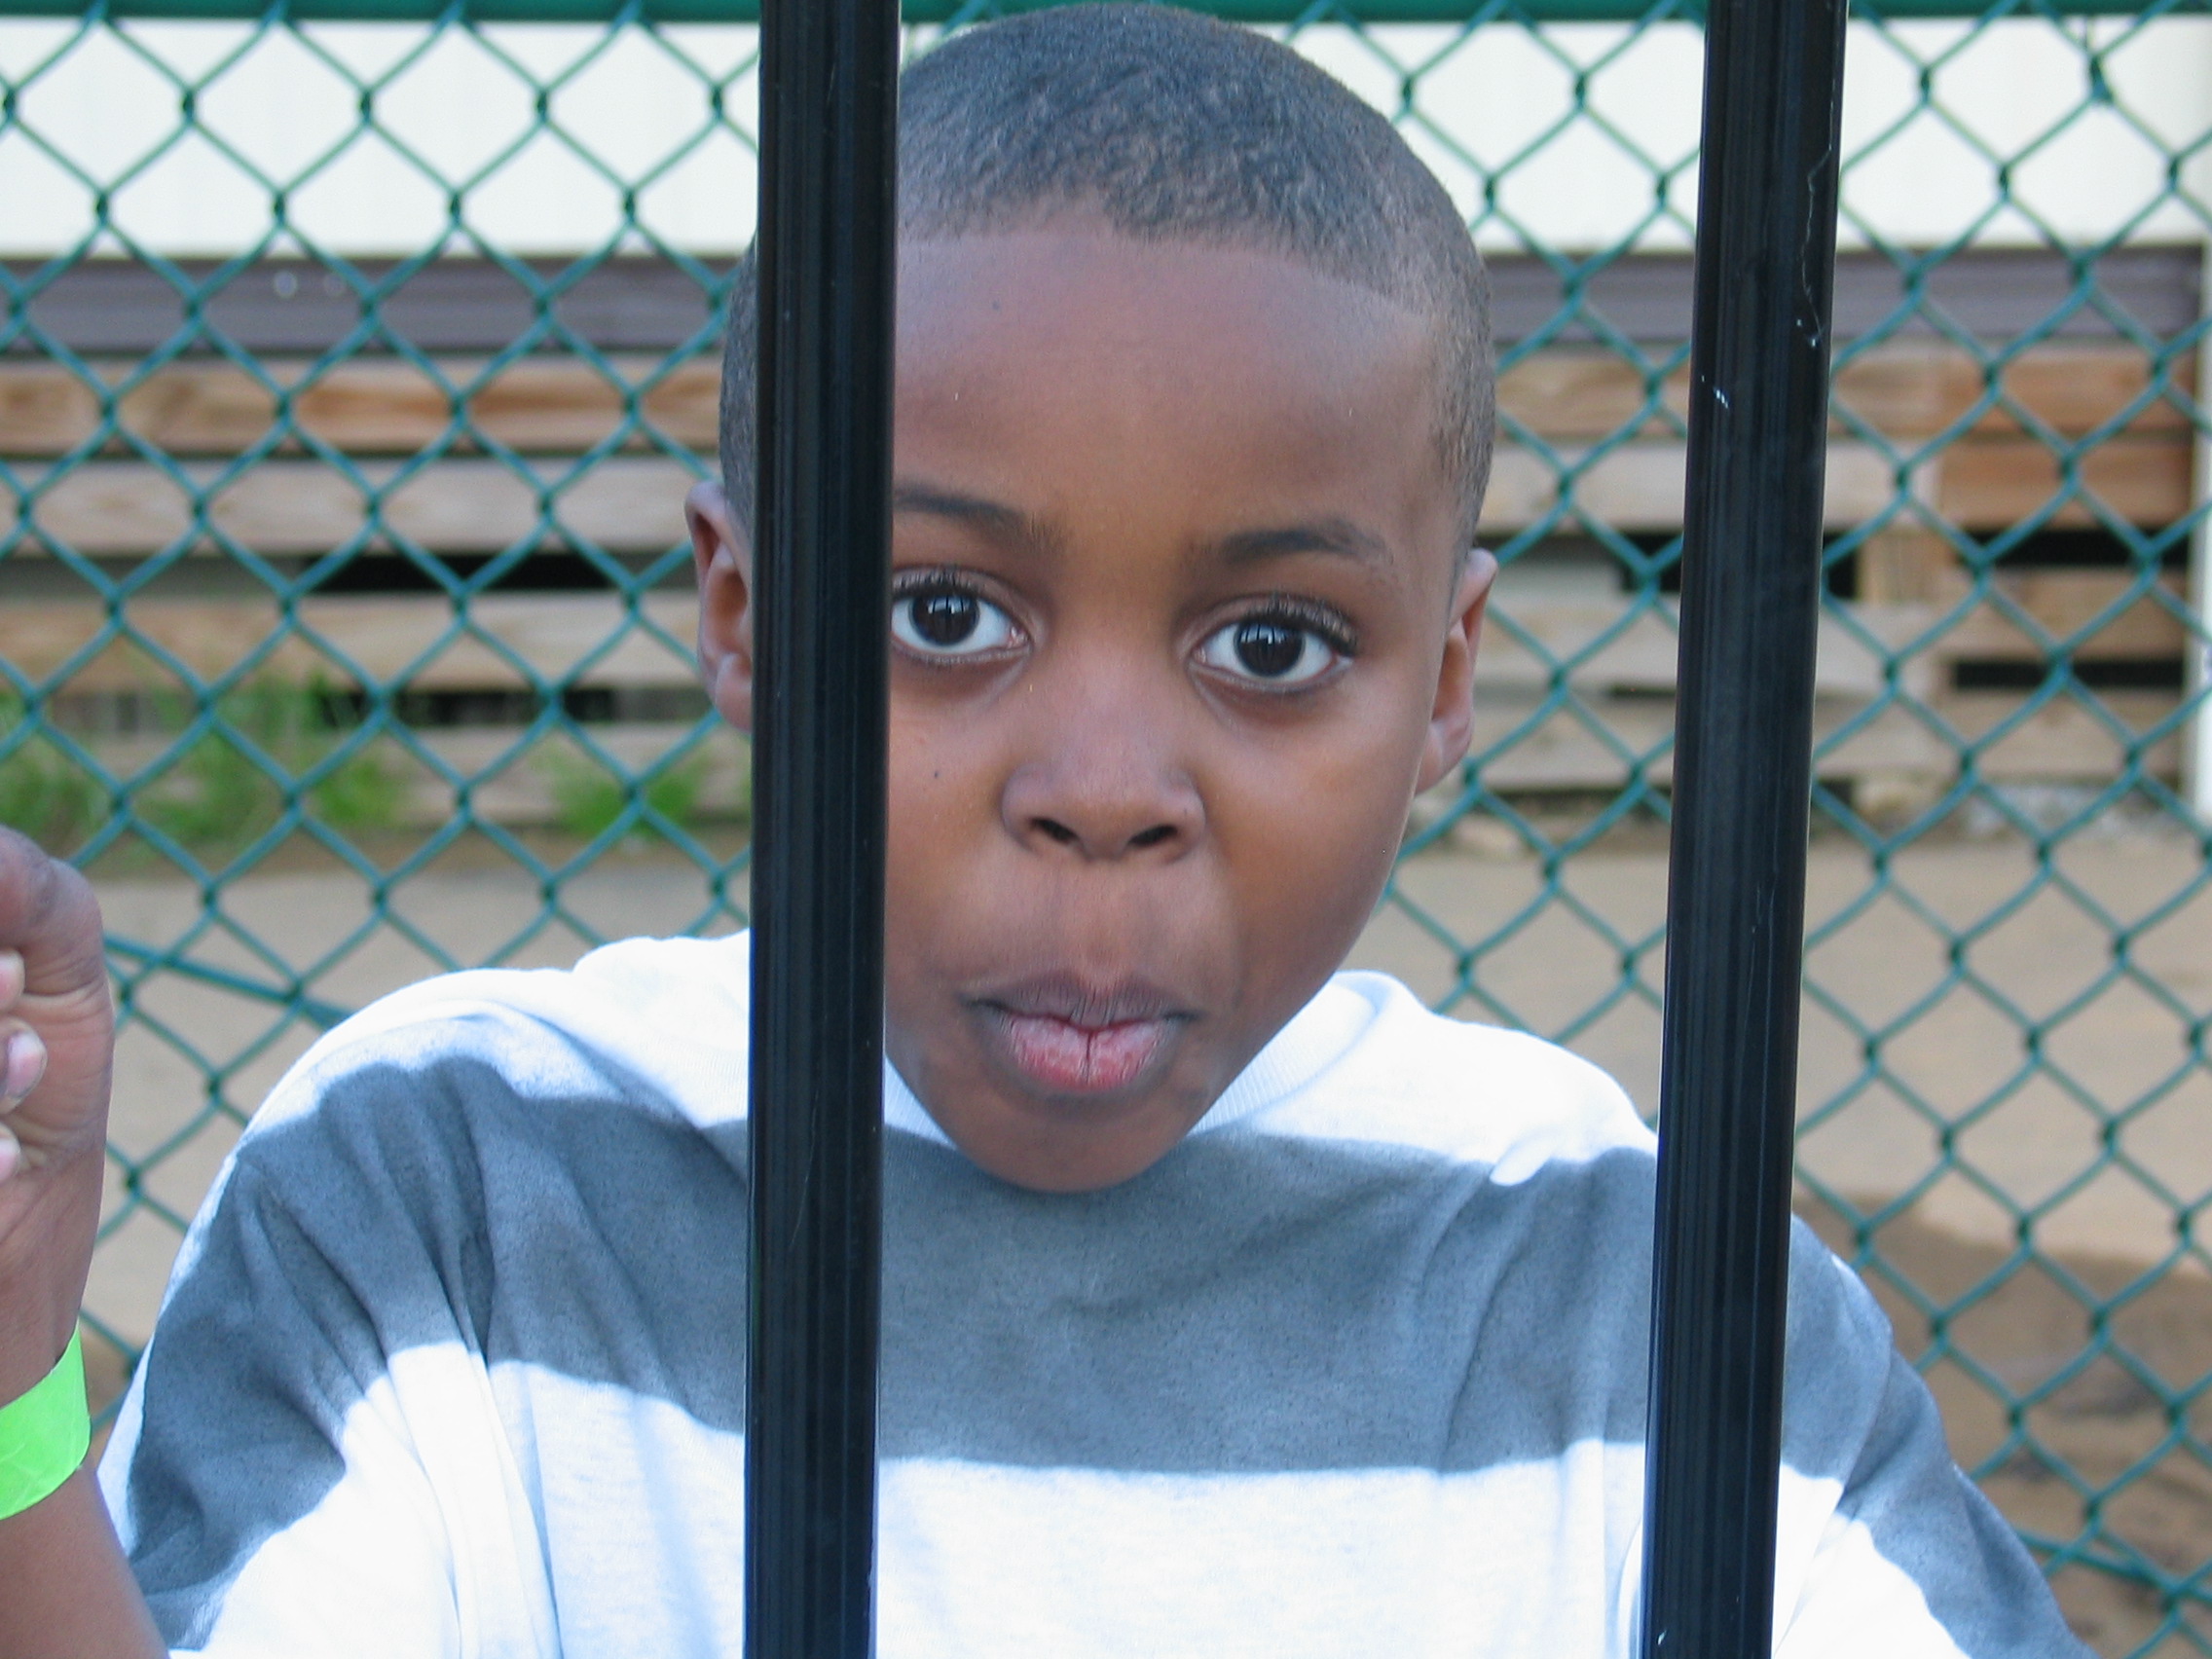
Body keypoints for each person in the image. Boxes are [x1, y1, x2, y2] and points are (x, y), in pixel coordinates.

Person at [0, 7, 2088, 1656]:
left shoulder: (1629, 1288)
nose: (1101, 786)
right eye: (945, 615)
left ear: (1447, 679)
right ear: (741, 614)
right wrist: (10, 1404)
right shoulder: (456, 1188)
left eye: (1271, 643)